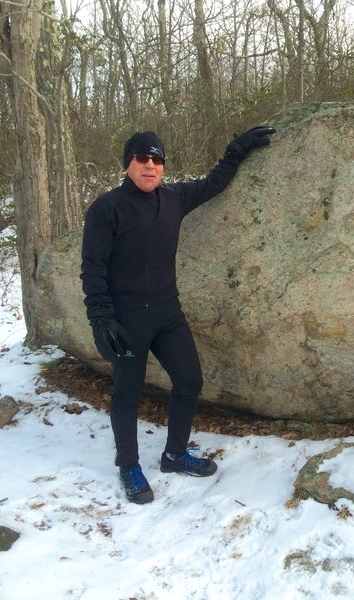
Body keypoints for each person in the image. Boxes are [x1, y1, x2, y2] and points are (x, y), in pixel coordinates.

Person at [81, 126, 275, 504]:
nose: (150, 166)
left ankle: (173, 455)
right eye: (142, 158)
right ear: (127, 164)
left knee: (189, 381)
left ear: (164, 167)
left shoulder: (174, 198)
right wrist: (101, 319)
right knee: (127, 394)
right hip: (127, 318)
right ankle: (129, 466)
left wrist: (237, 150)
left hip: (168, 312)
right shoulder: (107, 208)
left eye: (157, 160)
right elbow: (92, 269)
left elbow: (214, 182)